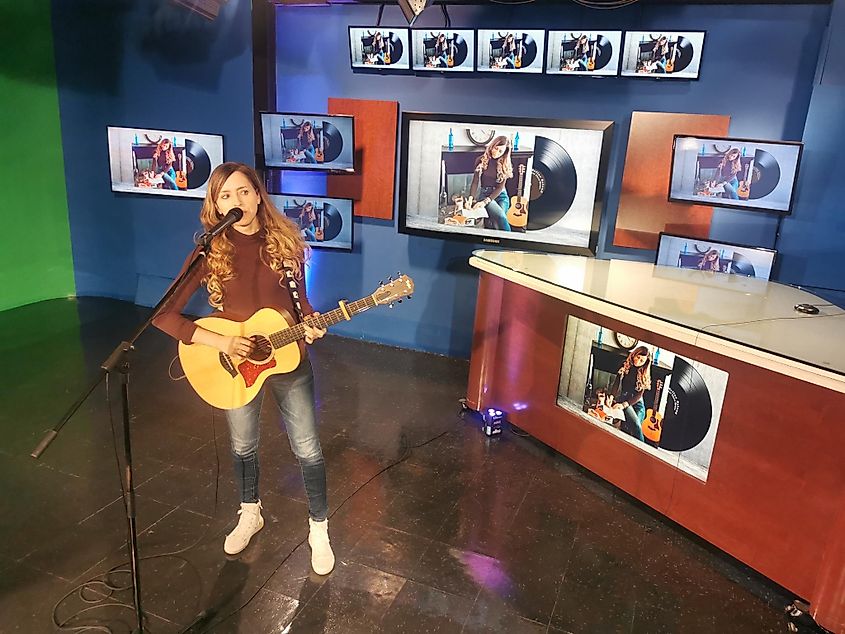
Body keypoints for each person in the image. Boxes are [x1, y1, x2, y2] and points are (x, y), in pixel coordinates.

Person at [152, 162, 335, 575]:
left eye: (244, 192)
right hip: (233, 364)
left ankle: (319, 528)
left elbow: (298, 302)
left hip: (288, 357)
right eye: (227, 196)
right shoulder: (209, 251)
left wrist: (312, 321)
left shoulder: (284, 240)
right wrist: (224, 342)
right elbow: (164, 315)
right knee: (243, 446)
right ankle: (250, 512)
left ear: (258, 194)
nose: (238, 201)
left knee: (307, 447)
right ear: (215, 205)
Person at [468, 136, 514, 232]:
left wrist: (485, 203)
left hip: (501, 195)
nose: (496, 152)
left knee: (499, 220)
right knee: (501, 217)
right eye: (495, 148)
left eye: (500, 151)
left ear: (504, 152)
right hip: (485, 194)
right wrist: (471, 198)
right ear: (492, 146)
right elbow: (475, 181)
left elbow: (500, 187)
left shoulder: (505, 164)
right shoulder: (480, 160)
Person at [609, 346, 653, 442]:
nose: (638, 361)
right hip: (625, 398)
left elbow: (639, 395)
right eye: (638, 357)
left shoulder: (644, 373)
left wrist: (624, 405)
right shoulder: (625, 364)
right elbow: (617, 382)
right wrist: (611, 397)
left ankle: (641, 450)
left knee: (636, 428)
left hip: (637, 403)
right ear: (634, 354)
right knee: (636, 424)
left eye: (642, 361)